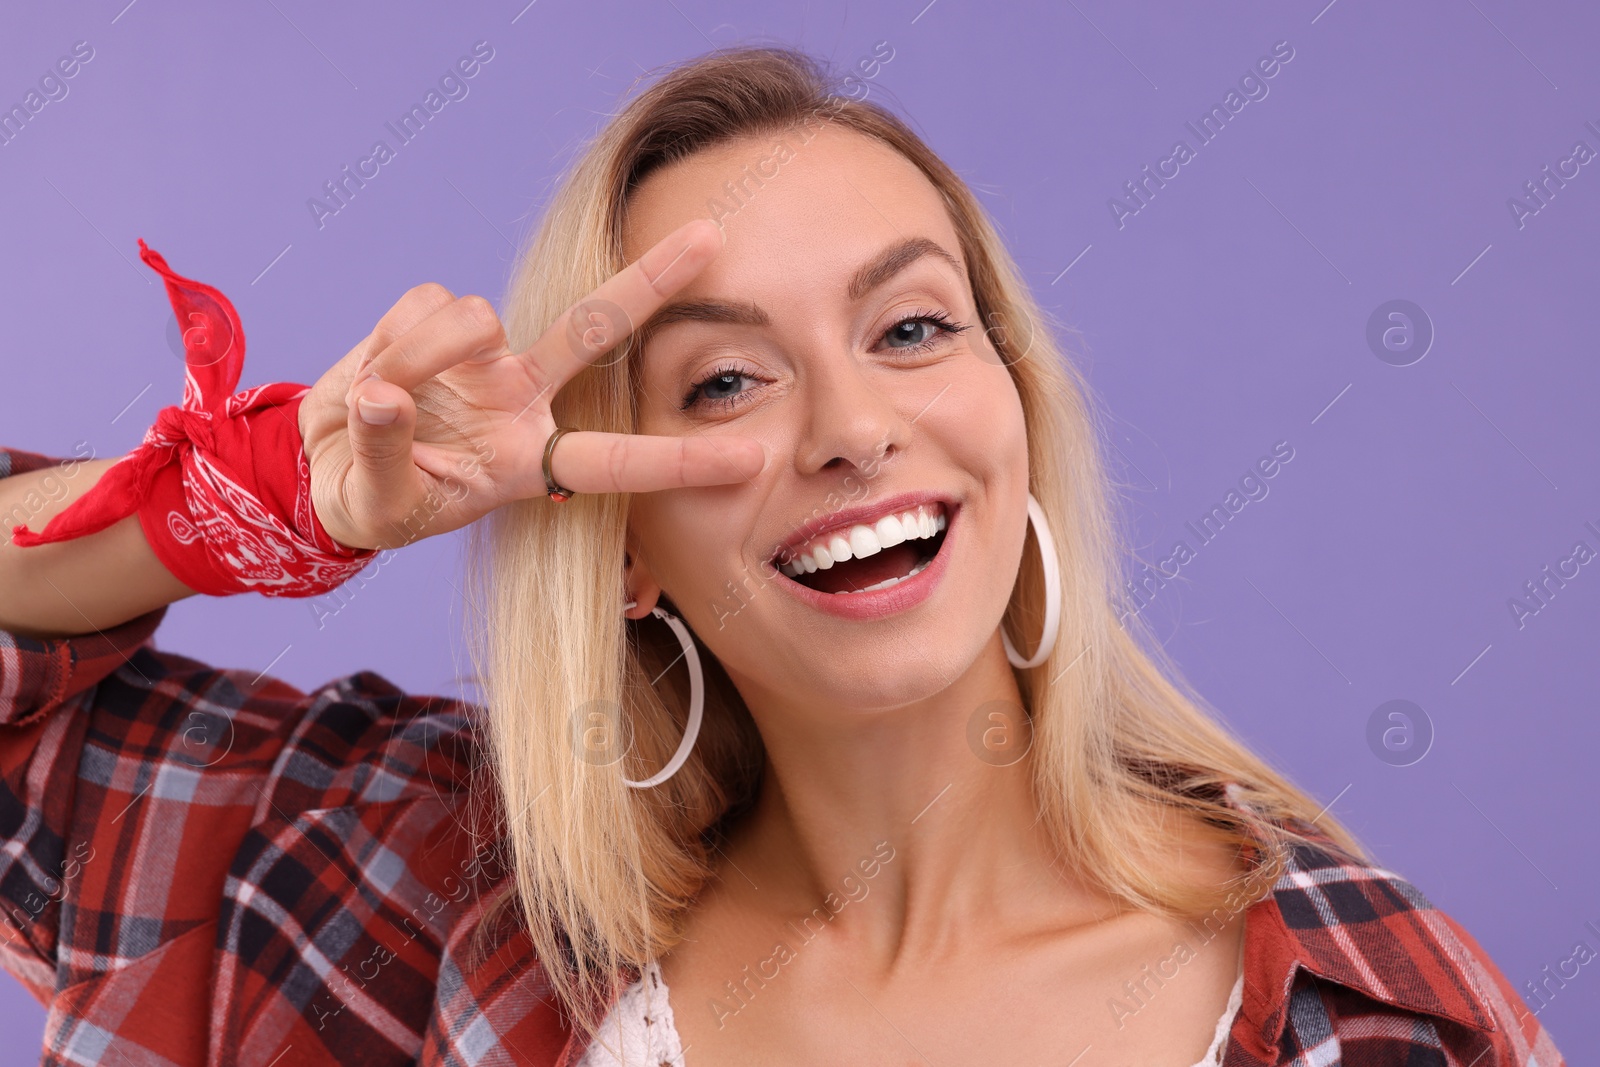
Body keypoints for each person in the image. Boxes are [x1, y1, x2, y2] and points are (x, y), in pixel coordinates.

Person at [0, 45, 1563, 1067]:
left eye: (911, 328)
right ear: (625, 550)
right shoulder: (404, 892)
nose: (853, 428)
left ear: (1017, 420)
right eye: (725, 382)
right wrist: (261, 502)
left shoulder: (1370, 1018)